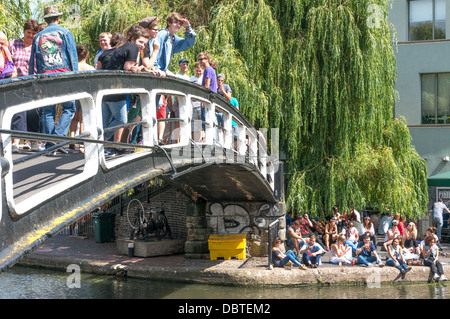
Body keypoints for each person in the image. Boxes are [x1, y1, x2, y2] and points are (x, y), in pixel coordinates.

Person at [28, 5, 78, 153]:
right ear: (57, 18)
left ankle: (51, 145)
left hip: (45, 76)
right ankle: (57, 138)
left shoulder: (38, 37)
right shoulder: (66, 33)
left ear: (46, 19)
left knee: (47, 110)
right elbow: (72, 57)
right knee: (69, 108)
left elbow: (33, 61)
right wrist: (76, 77)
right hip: (64, 75)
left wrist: (32, 77)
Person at [97, 26, 150, 153]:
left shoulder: (121, 46)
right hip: (116, 88)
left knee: (106, 120)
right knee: (121, 120)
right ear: (133, 39)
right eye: (140, 42)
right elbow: (128, 67)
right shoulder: (132, 48)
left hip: (105, 87)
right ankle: (100, 141)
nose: (142, 46)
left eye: (145, 43)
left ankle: (100, 147)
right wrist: (141, 68)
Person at [8, 20, 40, 153]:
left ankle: (34, 141)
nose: (31, 36)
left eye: (33, 33)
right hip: (16, 82)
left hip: (32, 83)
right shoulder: (14, 44)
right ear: (23, 31)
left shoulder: (37, 46)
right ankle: (15, 142)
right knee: (17, 112)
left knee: (33, 113)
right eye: (28, 33)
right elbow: (8, 60)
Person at [69, 45, 94, 153]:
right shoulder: (90, 68)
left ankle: (72, 139)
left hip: (74, 94)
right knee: (83, 119)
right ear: (87, 55)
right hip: (85, 94)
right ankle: (82, 143)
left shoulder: (73, 67)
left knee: (74, 118)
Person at [190, 62, 205, 142]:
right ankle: (194, 141)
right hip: (193, 105)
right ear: (194, 70)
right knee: (194, 124)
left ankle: (199, 141)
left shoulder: (204, 79)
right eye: (197, 71)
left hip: (201, 104)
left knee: (201, 124)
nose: (199, 72)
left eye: (200, 71)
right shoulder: (191, 79)